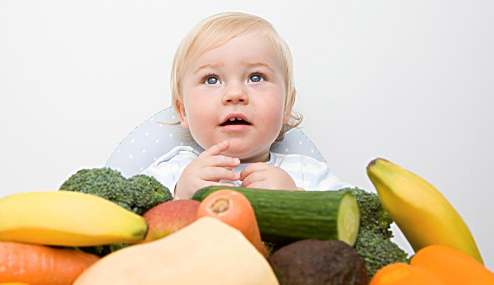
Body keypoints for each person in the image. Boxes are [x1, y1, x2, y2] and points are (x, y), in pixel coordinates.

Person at [143, 12, 351, 199]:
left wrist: (296, 198)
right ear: (183, 111)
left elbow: (357, 223)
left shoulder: (307, 174)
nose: (235, 94)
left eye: (256, 77)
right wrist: (178, 194)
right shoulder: (173, 173)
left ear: (287, 106)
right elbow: (122, 223)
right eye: (212, 80)